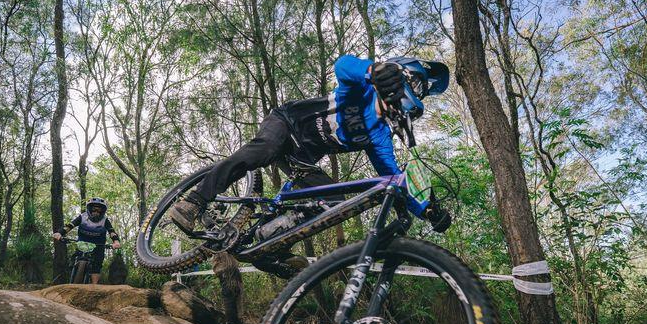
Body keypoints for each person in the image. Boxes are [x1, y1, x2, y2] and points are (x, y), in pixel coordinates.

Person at [166, 55, 453, 238]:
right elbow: (343, 65)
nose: (416, 95)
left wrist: (426, 210)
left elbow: (393, 177)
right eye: (416, 87)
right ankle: (194, 201)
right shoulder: (361, 89)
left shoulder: (378, 136)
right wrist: (373, 70)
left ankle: (266, 242)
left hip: (300, 158)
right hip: (286, 123)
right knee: (265, 150)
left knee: (335, 202)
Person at [53, 197, 121, 284]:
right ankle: (73, 270)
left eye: (99, 210)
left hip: (98, 244)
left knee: (97, 264)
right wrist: (60, 233)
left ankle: (94, 285)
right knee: (74, 256)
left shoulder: (105, 220)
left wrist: (116, 241)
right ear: (89, 209)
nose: (96, 212)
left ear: (102, 211)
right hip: (83, 242)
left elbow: (112, 232)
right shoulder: (82, 217)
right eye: (94, 209)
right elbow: (70, 226)